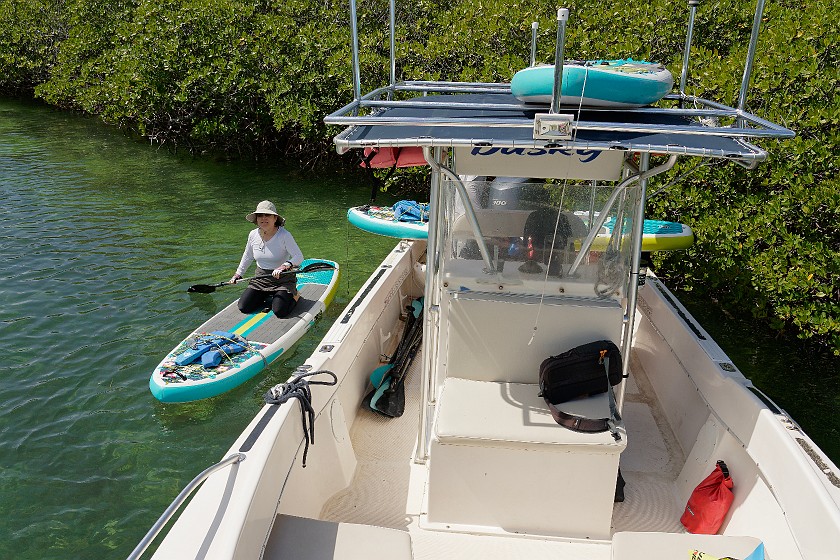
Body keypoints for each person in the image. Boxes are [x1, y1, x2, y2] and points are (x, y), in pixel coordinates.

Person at [230, 200, 304, 318]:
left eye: (267, 215)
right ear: (256, 219)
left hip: (283, 279)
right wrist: (238, 274)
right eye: (260, 215)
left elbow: (299, 257)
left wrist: (285, 265)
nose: (263, 218)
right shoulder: (252, 235)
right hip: (261, 278)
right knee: (244, 307)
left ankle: (295, 295)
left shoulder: (284, 235)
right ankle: (268, 294)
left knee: (280, 312)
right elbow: (248, 256)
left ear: (275, 218)